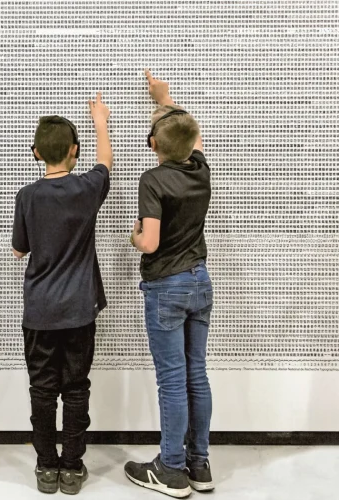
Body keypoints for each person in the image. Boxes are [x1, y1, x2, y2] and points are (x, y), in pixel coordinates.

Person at [11, 93, 113, 495]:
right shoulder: (87, 189)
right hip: (78, 311)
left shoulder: (27, 195)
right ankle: (72, 467)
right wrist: (100, 121)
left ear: (36, 152)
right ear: (74, 151)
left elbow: (19, 249)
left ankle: (45, 466)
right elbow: (106, 163)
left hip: (39, 310)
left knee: (42, 389)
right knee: (76, 387)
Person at [124, 69, 214, 498]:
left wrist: (134, 234)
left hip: (167, 285)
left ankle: (171, 469)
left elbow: (151, 242)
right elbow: (191, 133)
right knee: (197, 373)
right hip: (200, 280)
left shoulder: (153, 180)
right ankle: (200, 463)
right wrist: (167, 99)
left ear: (153, 145)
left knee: (172, 379)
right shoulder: (200, 168)